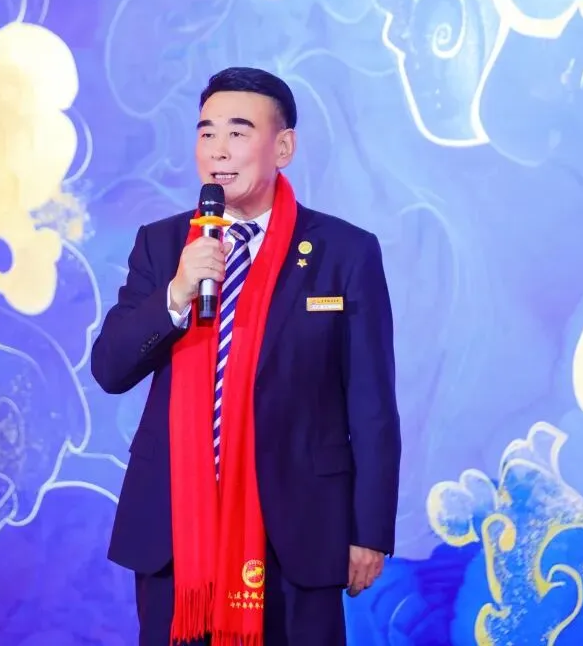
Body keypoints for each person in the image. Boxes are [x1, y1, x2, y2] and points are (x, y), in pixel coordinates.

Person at [90, 67, 402, 645]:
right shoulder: (163, 245)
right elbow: (110, 368)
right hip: (176, 526)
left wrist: (369, 529)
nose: (218, 150)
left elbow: (372, 403)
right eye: (206, 132)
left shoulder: (343, 252)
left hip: (297, 526)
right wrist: (175, 295)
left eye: (238, 132)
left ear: (283, 148)